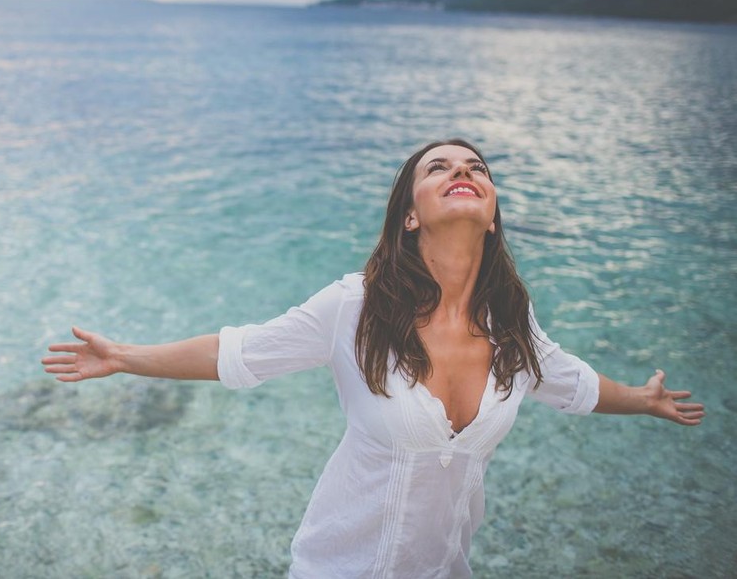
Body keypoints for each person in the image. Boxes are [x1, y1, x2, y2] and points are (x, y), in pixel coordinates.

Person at [41, 139, 704, 578]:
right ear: (409, 216)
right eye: (439, 168)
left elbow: (572, 383)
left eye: (477, 167)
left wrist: (642, 400)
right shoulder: (352, 308)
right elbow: (239, 352)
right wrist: (125, 356)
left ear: (495, 215)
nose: (463, 172)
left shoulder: (512, 324)